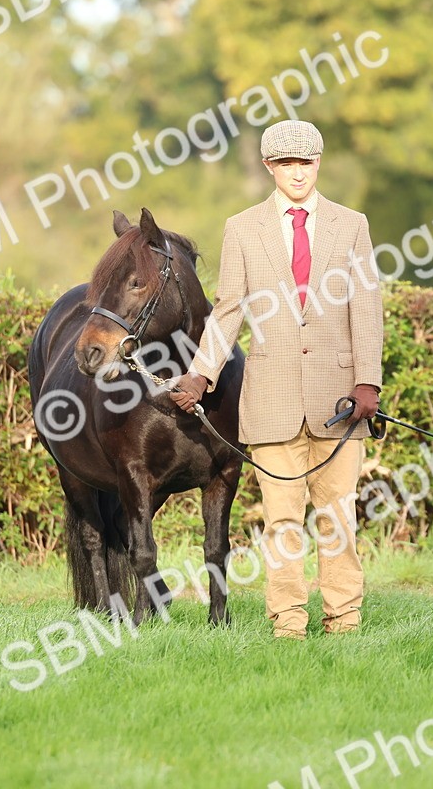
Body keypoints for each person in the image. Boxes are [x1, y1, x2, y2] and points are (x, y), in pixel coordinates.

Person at [170, 119, 384, 639]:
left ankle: (345, 621)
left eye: (305, 162)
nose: (297, 173)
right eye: (286, 163)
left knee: (338, 522)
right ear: (269, 167)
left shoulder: (351, 224)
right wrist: (201, 375)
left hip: (340, 402)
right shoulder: (242, 228)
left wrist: (368, 383)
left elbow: (367, 306)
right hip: (270, 402)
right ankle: (288, 623)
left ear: (319, 163)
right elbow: (228, 311)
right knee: (282, 523)